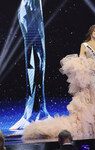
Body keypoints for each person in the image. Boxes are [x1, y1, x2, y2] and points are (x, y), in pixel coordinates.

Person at [22, 24, 95, 139]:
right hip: (92, 75)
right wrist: (93, 68)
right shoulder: (84, 45)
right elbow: (81, 61)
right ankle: (93, 127)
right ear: (91, 32)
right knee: (93, 100)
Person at [10, 0, 50, 130]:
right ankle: (31, 112)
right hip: (27, 10)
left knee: (38, 59)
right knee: (32, 59)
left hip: (33, 10)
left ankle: (38, 110)